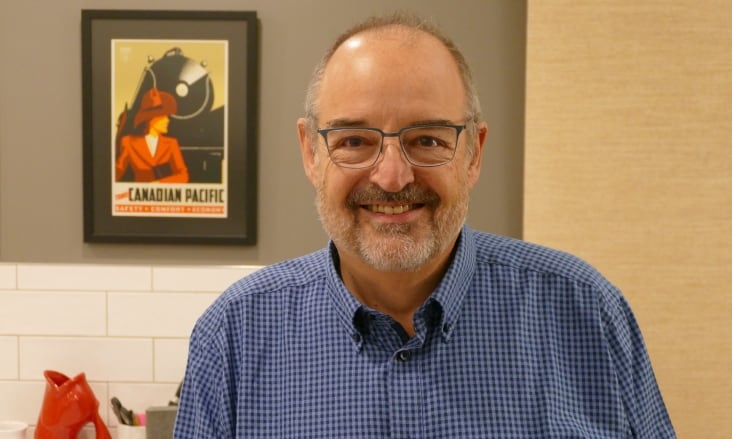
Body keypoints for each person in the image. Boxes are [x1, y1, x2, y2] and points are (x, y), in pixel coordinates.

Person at [174, 13, 675, 438]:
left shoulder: (586, 312)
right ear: (310, 152)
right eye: (354, 140)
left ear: (474, 152)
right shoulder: (234, 336)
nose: (392, 177)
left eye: (428, 140)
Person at [115, 87, 189, 183]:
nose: (167, 120)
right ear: (151, 119)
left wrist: (159, 183)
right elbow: (117, 172)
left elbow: (183, 175)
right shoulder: (128, 142)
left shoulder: (172, 144)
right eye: (163, 116)